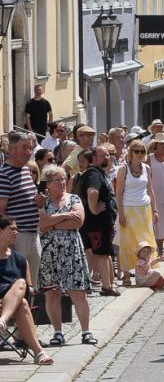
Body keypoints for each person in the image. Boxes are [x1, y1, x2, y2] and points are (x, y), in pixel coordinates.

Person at [38, 165, 97, 347]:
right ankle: (57, 332)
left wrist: (53, 223)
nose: (62, 183)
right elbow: (42, 223)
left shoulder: (74, 198)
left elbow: (78, 221)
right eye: (58, 180)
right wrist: (65, 216)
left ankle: (86, 331)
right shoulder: (42, 202)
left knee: (78, 291)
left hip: (72, 250)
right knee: (52, 293)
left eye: (64, 179)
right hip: (50, 252)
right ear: (48, 184)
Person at [0, 214, 53, 365]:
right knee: (22, 302)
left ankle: (2, 322)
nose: (16, 232)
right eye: (12, 229)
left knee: (21, 285)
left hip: (13, 305)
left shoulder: (19, 259)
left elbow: (29, 288)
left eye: (17, 229)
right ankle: (39, 352)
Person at [0, 131, 45, 285]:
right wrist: (7, 238)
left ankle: (30, 310)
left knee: (32, 284)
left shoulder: (26, 170)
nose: (29, 152)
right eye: (24, 147)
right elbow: (1, 211)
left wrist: (39, 202)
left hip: (33, 234)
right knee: (17, 283)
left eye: (30, 148)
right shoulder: (4, 174)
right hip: (18, 237)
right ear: (11, 149)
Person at [114, 140, 158, 287]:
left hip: (144, 208)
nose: (140, 154)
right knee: (127, 243)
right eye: (136, 151)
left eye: (142, 151)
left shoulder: (147, 168)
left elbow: (151, 191)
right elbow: (118, 193)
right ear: (131, 153)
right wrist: (120, 214)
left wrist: (155, 210)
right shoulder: (123, 169)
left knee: (145, 242)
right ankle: (126, 274)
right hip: (128, 208)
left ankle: (145, 271)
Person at [76, 145, 119, 297]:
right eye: (102, 155)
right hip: (97, 223)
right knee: (101, 254)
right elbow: (92, 191)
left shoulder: (96, 173)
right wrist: (94, 209)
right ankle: (106, 287)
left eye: (108, 155)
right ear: (93, 158)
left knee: (94, 254)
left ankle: (85, 285)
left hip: (98, 223)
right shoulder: (94, 173)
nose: (106, 158)